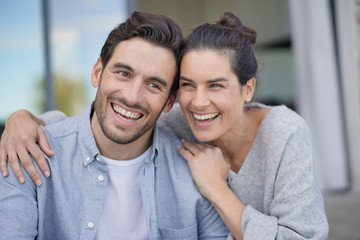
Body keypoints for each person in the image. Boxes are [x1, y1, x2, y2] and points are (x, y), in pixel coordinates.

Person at [0, 12, 329, 240]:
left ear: (248, 89)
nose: (198, 103)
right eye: (188, 85)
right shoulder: (172, 119)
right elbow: (82, 128)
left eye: (216, 85)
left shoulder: (282, 133)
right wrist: (22, 120)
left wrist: (216, 188)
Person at [0, 11, 230, 239]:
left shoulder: (195, 172)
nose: (132, 97)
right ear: (97, 72)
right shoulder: (27, 154)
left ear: (170, 100)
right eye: (123, 73)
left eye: (153, 85)